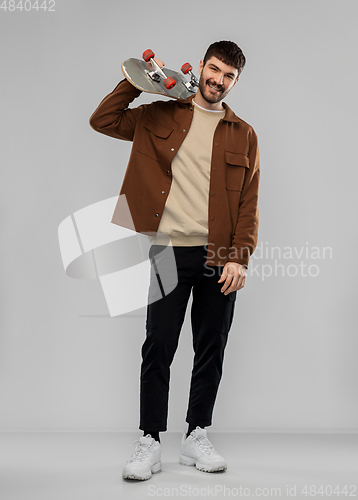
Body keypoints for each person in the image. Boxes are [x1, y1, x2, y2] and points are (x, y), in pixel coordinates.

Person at [89, 40, 260, 481]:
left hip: (220, 255)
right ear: (201, 66)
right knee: (159, 345)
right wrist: (142, 85)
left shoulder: (243, 133)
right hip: (167, 248)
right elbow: (103, 120)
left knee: (211, 347)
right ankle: (149, 440)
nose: (218, 81)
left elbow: (249, 202)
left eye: (229, 77)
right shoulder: (160, 114)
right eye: (215, 70)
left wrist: (239, 257)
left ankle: (196, 435)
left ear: (235, 81)